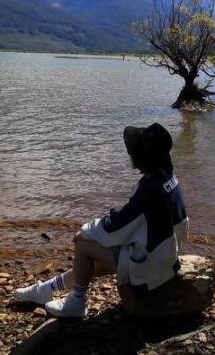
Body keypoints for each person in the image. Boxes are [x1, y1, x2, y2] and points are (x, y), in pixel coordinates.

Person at [15, 123, 189, 318]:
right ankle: (48, 289)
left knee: (83, 243)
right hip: (165, 259)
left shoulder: (150, 190)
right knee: (94, 263)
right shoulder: (167, 179)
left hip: (152, 270)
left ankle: (77, 303)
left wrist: (85, 231)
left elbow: (114, 228)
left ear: (140, 158)